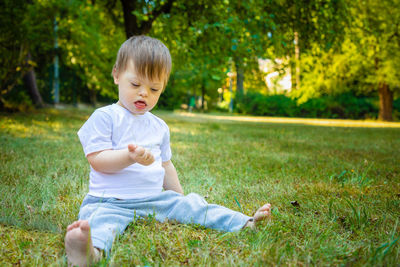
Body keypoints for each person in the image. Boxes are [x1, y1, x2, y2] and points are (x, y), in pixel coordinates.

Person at [65, 35, 272, 266]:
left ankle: (245, 222)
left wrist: (178, 199)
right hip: (109, 201)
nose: (144, 93)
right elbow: (97, 159)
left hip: (154, 200)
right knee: (102, 223)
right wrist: (129, 156)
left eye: (154, 88)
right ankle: (89, 252)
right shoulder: (105, 117)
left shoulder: (159, 126)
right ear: (116, 75)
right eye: (135, 85)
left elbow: (166, 165)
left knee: (194, 205)